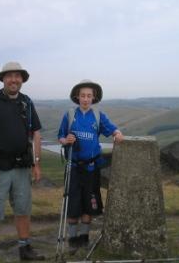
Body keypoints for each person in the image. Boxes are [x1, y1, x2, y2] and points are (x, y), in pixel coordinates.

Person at [0, 62, 45, 262]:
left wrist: (36, 163)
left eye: (17, 76)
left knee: (23, 210)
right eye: (10, 75)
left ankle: (25, 250)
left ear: (22, 79)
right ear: (3, 79)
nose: (14, 79)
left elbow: (36, 133)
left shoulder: (27, 102)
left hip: (22, 168)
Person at [57, 79, 124, 249]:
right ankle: (72, 241)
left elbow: (111, 129)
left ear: (93, 98)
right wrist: (66, 140)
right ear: (77, 97)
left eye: (89, 96)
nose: (86, 99)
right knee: (73, 204)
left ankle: (84, 239)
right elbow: (61, 136)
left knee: (89, 204)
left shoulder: (98, 116)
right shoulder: (70, 115)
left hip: (91, 168)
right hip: (73, 167)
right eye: (82, 96)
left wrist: (117, 133)